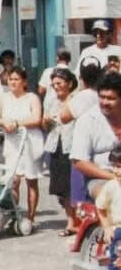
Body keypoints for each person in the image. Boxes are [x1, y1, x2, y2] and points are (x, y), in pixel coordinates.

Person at [0, 69, 44, 225]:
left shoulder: (32, 97)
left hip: (30, 141)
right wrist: (4, 123)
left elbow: (36, 118)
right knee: (13, 180)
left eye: (16, 79)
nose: (13, 82)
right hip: (12, 142)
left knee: (31, 180)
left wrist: (17, 124)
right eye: (10, 79)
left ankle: (31, 217)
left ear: (24, 81)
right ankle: (15, 216)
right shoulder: (3, 98)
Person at [71, 72, 121, 201]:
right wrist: (114, 178)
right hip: (101, 178)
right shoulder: (87, 121)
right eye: (102, 97)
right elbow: (79, 162)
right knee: (115, 195)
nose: (104, 102)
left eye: (110, 98)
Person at [43, 69, 79, 234]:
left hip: (71, 146)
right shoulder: (52, 102)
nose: (56, 87)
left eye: (59, 83)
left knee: (71, 187)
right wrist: (46, 121)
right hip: (54, 146)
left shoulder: (76, 101)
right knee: (60, 188)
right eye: (54, 84)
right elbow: (45, 126)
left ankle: (73, 223)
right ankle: (71, 221)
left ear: (69, 84)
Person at [96, 144, 121, 270]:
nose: (117, 171)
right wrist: (106, 227)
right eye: (115, 166)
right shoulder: (111, 187)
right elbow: (101, 208)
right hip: (119, 234)